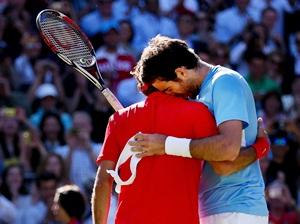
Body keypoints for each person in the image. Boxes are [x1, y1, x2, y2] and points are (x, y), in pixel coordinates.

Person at [128, 35, 269, 224]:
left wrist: (165, 145)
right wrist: (260, 148)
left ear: (181, 73)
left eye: (169, 89)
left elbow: (227, 152)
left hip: (238, 209)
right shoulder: (198, 96)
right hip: (210, 209)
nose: (171, 96)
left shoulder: (225, 82)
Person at [91, 90, 268, 224]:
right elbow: (225, 165)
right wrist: (262, 146)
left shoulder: (119, 119)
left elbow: (103, 182)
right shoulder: (198, 113)